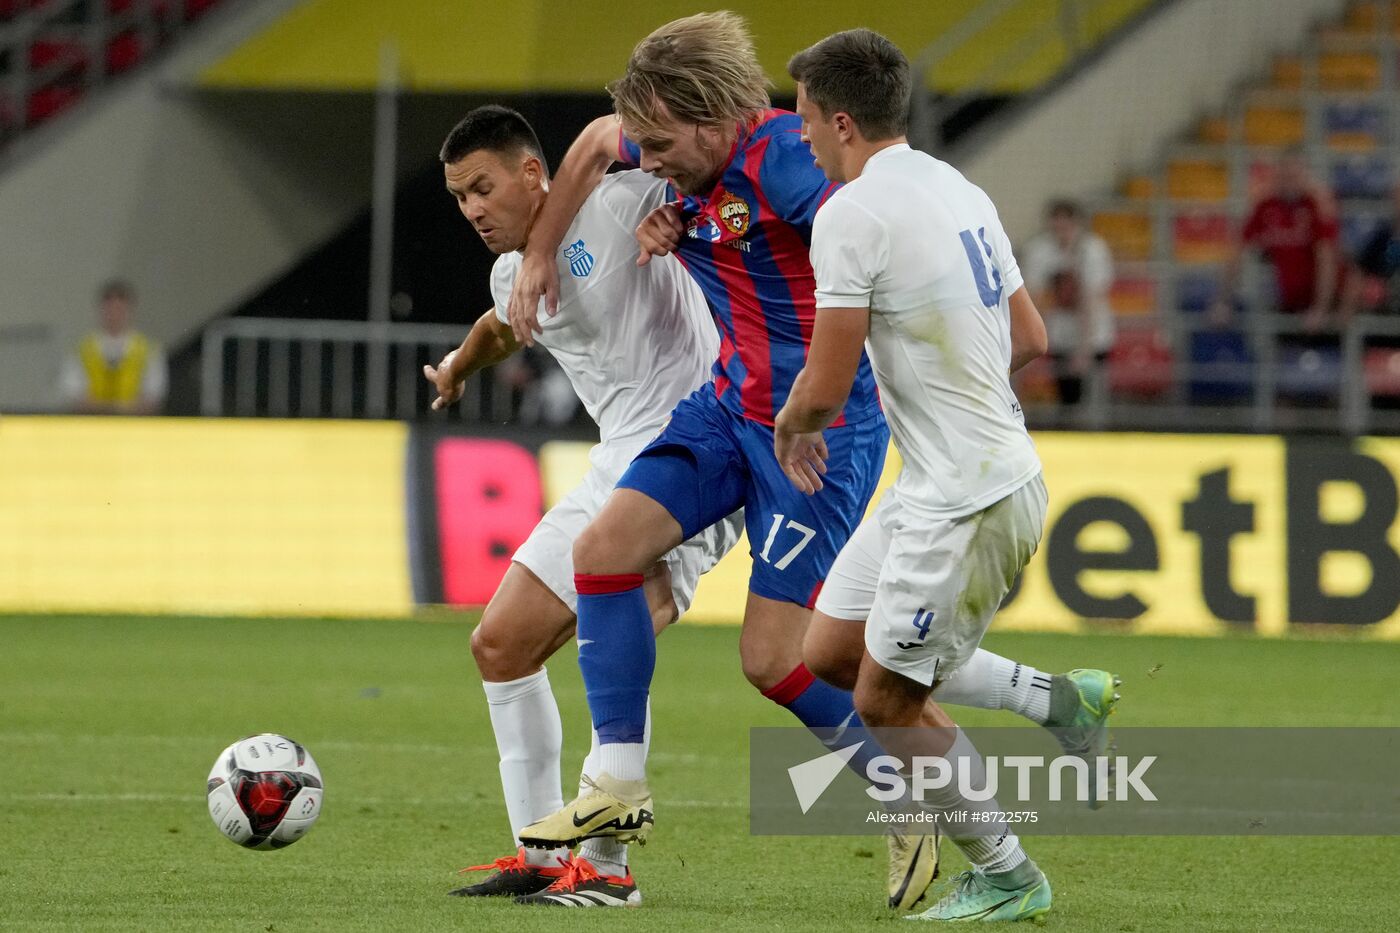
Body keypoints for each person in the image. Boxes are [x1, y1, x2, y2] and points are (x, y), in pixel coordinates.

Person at [503, 12, 1118, 913]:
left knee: (787, 659)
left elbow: (858, 265)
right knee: (603, 554)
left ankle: (959, 798)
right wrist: (544, 257)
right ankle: (617, 788)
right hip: (731, 404)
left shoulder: (805, 174)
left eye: (664, 147)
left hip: (823, 433)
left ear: (717, 120)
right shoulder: (682, 150)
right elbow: (601, 141)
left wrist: (841, 396)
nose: (651, 162)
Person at [775, 29, 1117, 921]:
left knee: (886, 699)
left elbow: (826, 383)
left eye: (806, 118)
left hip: (969, 496)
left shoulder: (851, 213)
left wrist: (792, 424)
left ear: (841, 122)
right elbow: (1030, 337)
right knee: (831, 651)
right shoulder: (957, 186)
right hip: (945, 478)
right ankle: (1057, 699)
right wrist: (957, 397)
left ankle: (1009, 872)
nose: (800, 134)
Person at [423, 104, 743, 908]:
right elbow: (502, 329)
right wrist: (457, 367)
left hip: (694, 450)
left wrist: (686, 218)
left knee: (617, 629)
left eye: (482, 188)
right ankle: (540, 853)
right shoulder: (511, 275)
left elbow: (720, 189)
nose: (471, 209)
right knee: (500, 645)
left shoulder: (623, 200)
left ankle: (607, 866)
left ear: (535, 174)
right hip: (615, 465)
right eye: (459, 197)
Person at [1213, 151, 1341, 331]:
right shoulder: (1266, 205)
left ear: (1305, 175)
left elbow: (1326, 258)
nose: (1289, 182)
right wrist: (1223, 300)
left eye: (1294, 176)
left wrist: (1320, 308)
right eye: (1284, 175)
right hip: (1289, 300)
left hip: (1329, 303)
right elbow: (1237, 250)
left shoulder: (1318, 205)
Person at [1020, 200, 1115, 407]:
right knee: (1067, 398)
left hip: (1093, 335)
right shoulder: (1039, 251)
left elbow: (1091, 300)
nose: (1062, 233)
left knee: (1093, 397)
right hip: (1059, 334)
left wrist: (1084, 348)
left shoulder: (1093, 250)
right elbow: (1035, 299)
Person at [60, 279, 168, 414]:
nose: (114, 314)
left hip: (134, 424)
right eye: (110, 309)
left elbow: (153, 397)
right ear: (101, 309)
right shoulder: (82, 350)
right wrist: (114, 408)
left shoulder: (149, 350)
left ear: (130, 310)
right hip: (92, 423)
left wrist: (115, 408)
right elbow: (73, 396)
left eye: (119, 309)